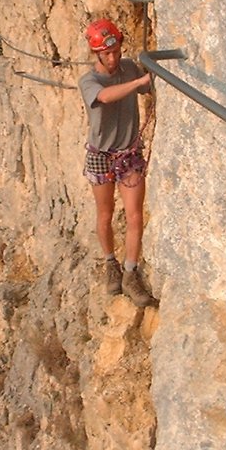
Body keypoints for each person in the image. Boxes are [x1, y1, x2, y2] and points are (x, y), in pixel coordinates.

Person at [79, 18, 154, 306]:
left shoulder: (130, 69)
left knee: (135, 215)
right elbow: (106, 97)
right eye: (106, 54)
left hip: (129, 152)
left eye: (116, 51)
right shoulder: (89, 81)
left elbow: (148, 87)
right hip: (100, 154)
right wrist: (138, 83)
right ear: (96, 54)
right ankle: (110, 262)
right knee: (105, 214)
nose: (112, 58)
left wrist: (147, 77)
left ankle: (130, 273)